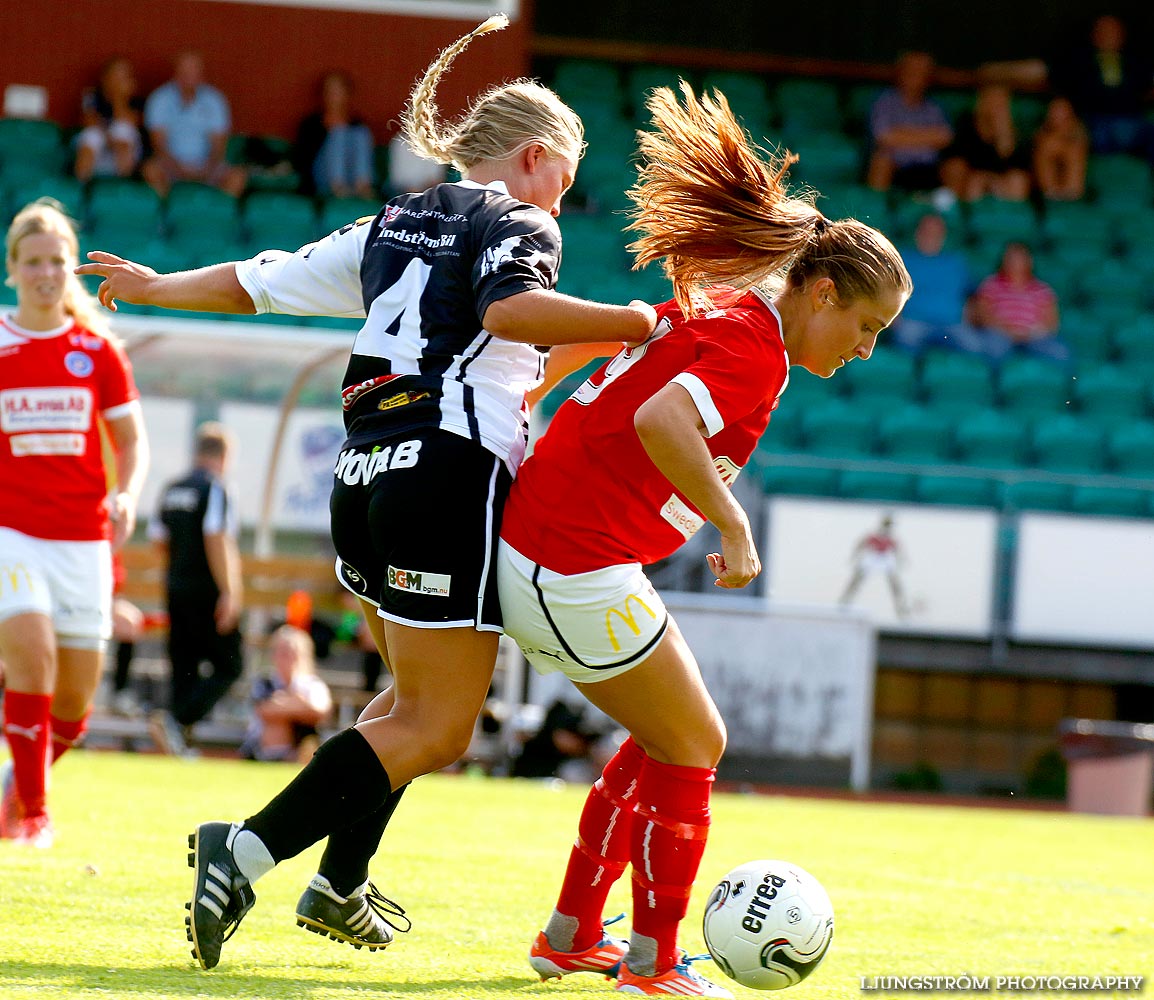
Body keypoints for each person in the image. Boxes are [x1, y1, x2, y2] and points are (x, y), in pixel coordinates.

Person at [77, 13, 656, 971]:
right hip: (446, 470)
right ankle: (249, 849)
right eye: (569, 170)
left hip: (364, 473)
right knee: (440, 723)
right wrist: (631, 321)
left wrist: (155, 284)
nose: (568, 193)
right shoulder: (520, 220)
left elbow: (261, 281)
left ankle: (339, 883)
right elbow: (509, 309)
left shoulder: (393, 220)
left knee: (402, 709)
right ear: (539, 156)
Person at [495, 84, 910, 997]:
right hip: (571, 559)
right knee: (696, 742)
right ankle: (655, 963)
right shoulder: (754, 344)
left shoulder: (730, 308)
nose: (867, 350)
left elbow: (634, 386)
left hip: (557, 548)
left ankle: (571, 932)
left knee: (663, 735)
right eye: (866, 327)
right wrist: (733, 524)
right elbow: (660, 419)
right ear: (825, 292)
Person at [0, 199, 148, 847]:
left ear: (71, 269)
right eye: (32, 262)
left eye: (56, 261)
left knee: (73, 709)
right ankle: (35, 815)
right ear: (12, 270)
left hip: (83, 539)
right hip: (12, 532)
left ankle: (13, 790)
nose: (45, 273)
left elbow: (132, 442)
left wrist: (128, 494)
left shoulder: (98, 351)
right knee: (32, 655)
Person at [146, 422, 244, 756]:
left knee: (183, 666)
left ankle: (177, 743)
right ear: (224, 454)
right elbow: (216, 537)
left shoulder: (171, 488)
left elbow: (159, 542)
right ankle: (177, 720)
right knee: (231, 664)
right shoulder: (215, 487)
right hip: (208, 591)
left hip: (175, 588)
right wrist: (229, 591)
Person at [141, 51, 246, 197]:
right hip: (170, 163)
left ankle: (216, 215)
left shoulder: (214, 100)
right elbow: (159, 144)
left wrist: (207, 169)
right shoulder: (160, 99)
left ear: (201, 74)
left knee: (237, 177)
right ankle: (169, 215)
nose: (189, 76)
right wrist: (179, 169)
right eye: (184, 71)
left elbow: (218, 145)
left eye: (193, 71)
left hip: (206, 164)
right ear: (175, 74)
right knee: (150, 170)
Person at [1049, 14, 1153, 158]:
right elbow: (1066, 91)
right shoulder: (1079, 63)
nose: (1108, 36)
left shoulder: (1136, 64)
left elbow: (1146, 89)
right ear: (1094, 35)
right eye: (1103, 31)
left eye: (1112, 31)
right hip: (1095, 123)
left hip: (1132, 122)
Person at [889, 212, 984, 356]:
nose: (931, 236)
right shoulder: (903, 259)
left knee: (975, 347)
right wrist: (894, 317)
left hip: (952, 324)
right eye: (926, 231)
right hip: (914, 322)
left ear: (943, 235)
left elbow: (974, 294)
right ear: (917, 233)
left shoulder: (956, 262)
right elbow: (889, 291)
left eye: (936, 232)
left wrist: (970, 313)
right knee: (905, 338)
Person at [240, 625, 332, 764]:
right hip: (261, 743)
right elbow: (264, 711)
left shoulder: (312, 684)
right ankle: (275, 759)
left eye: (293, 652)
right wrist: (299, 704)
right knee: (276, 725)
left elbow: (320, 711)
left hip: (302, 742)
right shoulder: (265, 682)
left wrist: (284, 703)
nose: (288, 658)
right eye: (282, 652)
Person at [967, 241, 1068, 365]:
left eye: (1019, 258)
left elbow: (1051, 323)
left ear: (1029, 261)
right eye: (1010, 258)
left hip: (1033, 337)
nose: (1014, 262)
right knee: (993, 348)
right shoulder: (990, 284)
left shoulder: (1042, 289)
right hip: (1000, 335)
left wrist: (1030, 333)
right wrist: (1006, 330)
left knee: (1060, 352)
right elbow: (983, 313)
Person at [866, 51, 953, 193]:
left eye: (923, 72)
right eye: (913, 71)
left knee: (954, 167)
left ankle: (951, 212)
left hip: (929, 169)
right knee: (881, 161)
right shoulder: (884, 102)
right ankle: (875, 210)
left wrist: (902, 134)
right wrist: (928, 137)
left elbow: (945, 137)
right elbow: (884, 137)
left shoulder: (934, 107)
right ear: (900, 73)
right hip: (896, 167)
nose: (918, 77)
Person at [939, 84, 1032, 202]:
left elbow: (1015, 165)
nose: (995, 106)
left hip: (1000, 182)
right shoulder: (967, 125)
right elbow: (957, 159)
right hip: (971, 181)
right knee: (974, 183)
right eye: (991, 100)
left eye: (1001, 103)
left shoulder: (1015, 131)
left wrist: (1003, 133)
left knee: (1017, 182)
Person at [295, 71, 376, 199]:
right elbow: (303, 160)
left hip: (352, 178)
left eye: (338, 91)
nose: (334, 95)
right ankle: (338, 188)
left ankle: (363, 187)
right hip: (323, 180)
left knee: (361, 133)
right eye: (330, 91)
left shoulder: (357, 123)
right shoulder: (312, 123)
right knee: (339, 134)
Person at [75, 56, 146, 182]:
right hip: (100, 147)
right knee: (92, 135)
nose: (119, 80)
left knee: (122, 130)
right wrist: (109, 138)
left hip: (122, 152)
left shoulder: (135, 100)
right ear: (105, 77)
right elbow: (89, 122)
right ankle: (81, 185)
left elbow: (130, 122)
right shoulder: (93, 95)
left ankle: (120, 186)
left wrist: (118, 97)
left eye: (124, 76)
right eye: (116, 75)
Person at [839, 514, 909, 617]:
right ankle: (845, 601)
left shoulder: (891, 538)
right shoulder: (874, 535)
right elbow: (861, 544)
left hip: (884, 558)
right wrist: (855, 556)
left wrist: (901, 560)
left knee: (895, 583)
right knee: (857, 579)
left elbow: (897, 550)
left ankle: (901, 608)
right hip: (873, 556)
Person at [1032, 96, 1089, 201]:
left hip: (1072, 193)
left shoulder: (1079, 136)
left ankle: (1070, 198)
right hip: (1048, 193)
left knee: (1074, 151)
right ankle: (1051, 196)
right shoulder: (1041, 137)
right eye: (1055, 110)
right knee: (1046, 146)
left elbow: (1078, 140)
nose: (1058, 115)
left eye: (1062, 111)